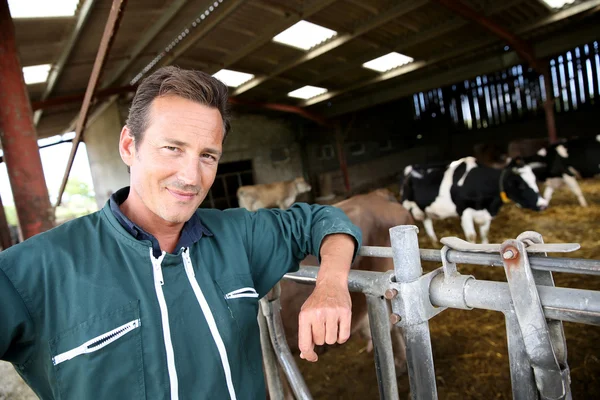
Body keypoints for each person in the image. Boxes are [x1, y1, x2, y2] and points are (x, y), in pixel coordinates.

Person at [0, 66, 361, 400]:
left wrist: (330, 284)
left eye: (208, 156)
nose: (191, 177)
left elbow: (322, 219)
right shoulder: (33, 271)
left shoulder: (237, 235)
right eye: (172, 148)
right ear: (129, 146)